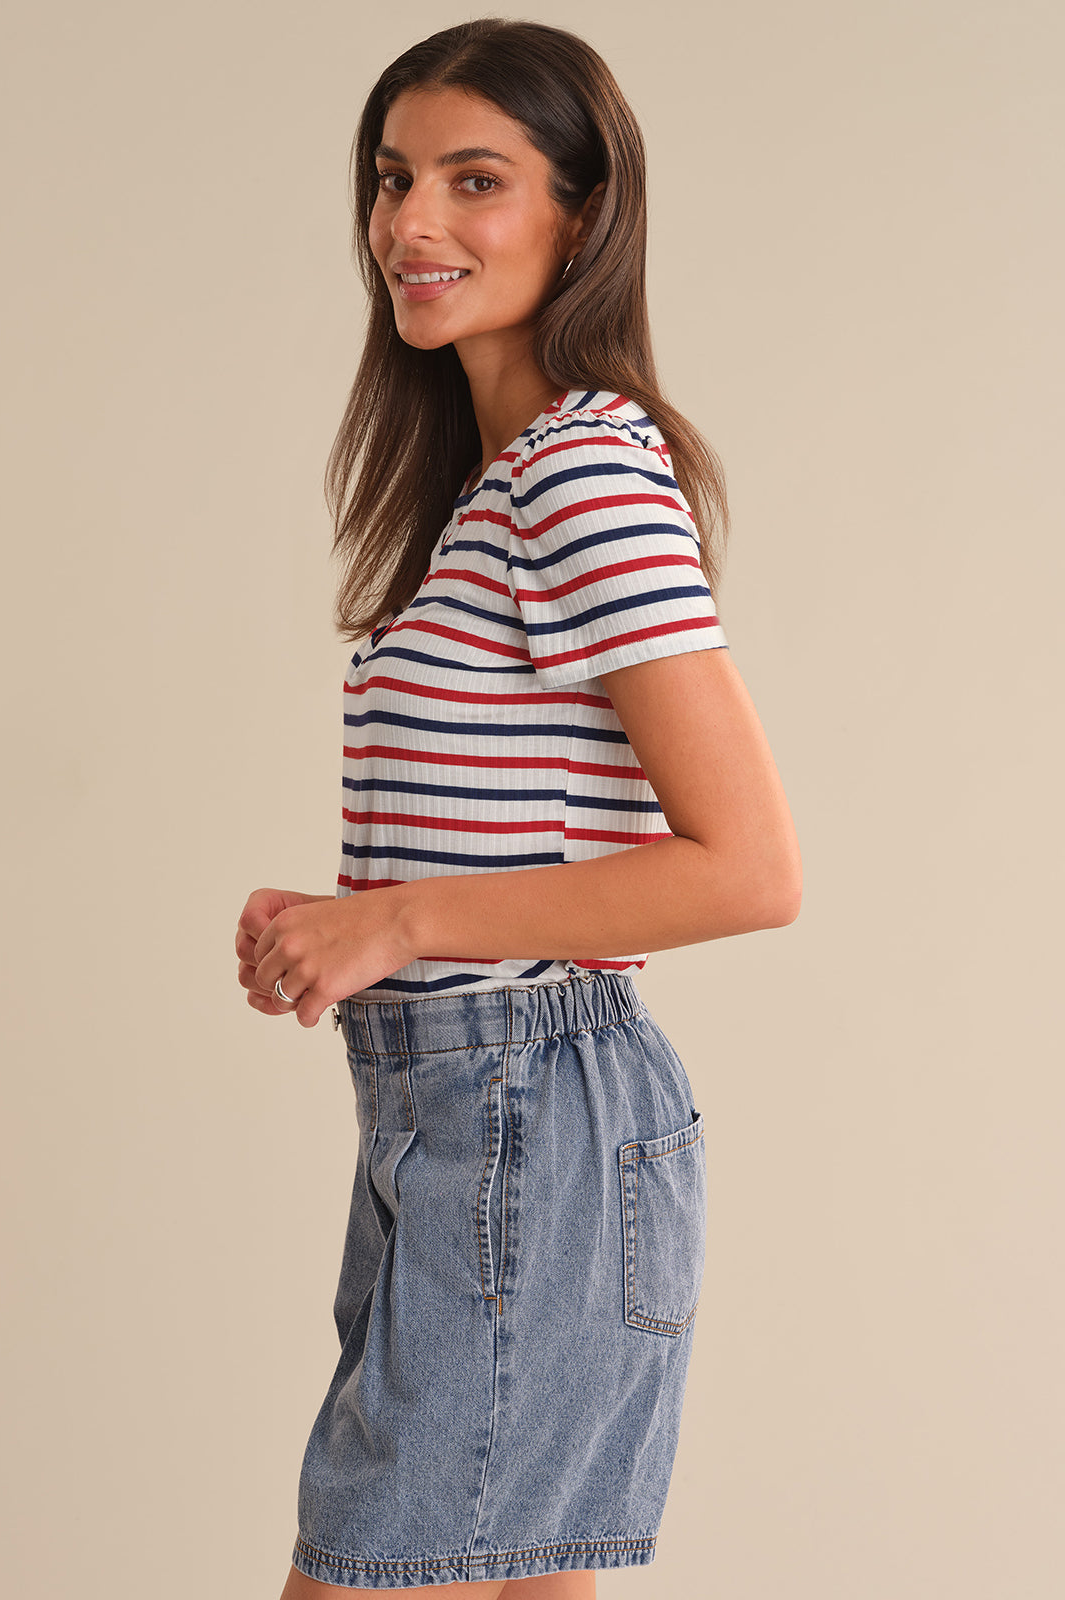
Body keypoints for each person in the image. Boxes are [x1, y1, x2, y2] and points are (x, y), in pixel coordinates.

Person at [235, 18, 801, 1598]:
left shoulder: (581, 474)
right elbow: (524, 819)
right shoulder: (497, 486)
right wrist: (351, 920)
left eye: (474, 180)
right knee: (518, 1578)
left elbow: (751, 868)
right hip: (471, 1115)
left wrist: (402, 921)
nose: (409, 222)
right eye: (391, 177)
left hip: (527, 1118)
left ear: (584, 211)